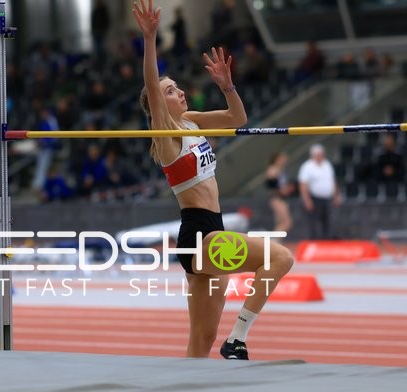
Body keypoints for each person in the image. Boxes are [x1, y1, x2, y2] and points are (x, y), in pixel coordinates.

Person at [133, 0, 294, 360]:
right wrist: (150, 39)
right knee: (281, 258)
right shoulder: (166, 138)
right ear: (158, 104)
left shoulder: (191, 121)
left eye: (177, 87)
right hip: (199, 237)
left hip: (212, 233)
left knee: (201, 340)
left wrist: (228, 86)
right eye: (170, 91)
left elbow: (237, 119)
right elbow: (151, 85)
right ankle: (237, 339)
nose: (179, 92)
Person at [298, 144, 340, 240]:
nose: (321, 156)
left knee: (328, 221)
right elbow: (303, 185)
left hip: (327, 198)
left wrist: (336, 195)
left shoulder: (327, 164)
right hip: (315, 198)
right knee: (314, 222)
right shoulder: (307, 166)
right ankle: (314, 241)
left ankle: (326, 241)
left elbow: (333, 181)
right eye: (319, 154)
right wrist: (307, 200)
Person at [265, 152, 294, 234]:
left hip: (282, 198)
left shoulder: (282, 170)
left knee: (280, 223)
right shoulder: (273, 170)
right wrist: (281, 190)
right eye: (282, 159)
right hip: (277, 198)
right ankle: (273, 239)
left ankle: (275, 240)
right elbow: (271, 185)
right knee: (287, 223)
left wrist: (287, 189)